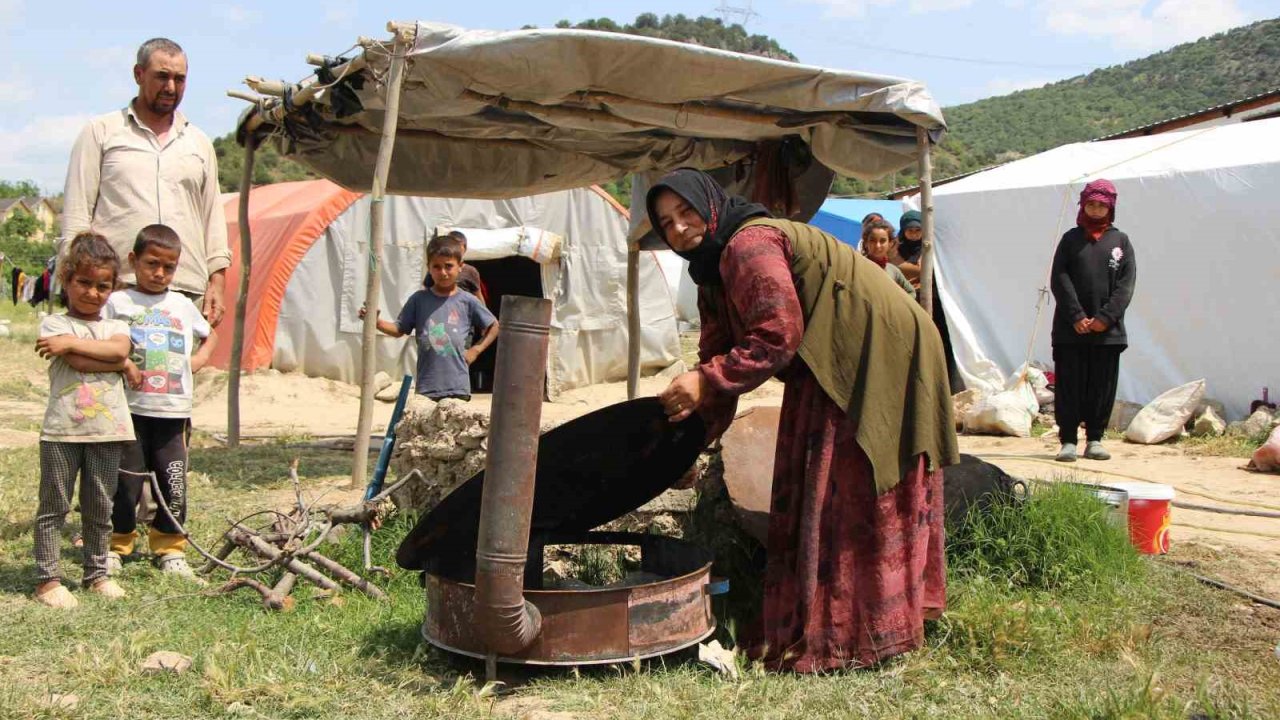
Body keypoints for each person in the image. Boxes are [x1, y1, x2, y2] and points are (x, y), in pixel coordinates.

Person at [648, 169, 957, 672]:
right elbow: (718, 356)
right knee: (817, 471)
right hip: (831, 350)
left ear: (710, 206)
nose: (680, 229)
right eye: (666, 223)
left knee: (848, 480)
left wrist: (708, 380)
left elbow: (777, 333)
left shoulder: (748, 245)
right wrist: (694, 438)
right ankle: (834, 619)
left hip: (877, 346)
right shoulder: (709, 271)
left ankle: (855, 633)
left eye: (685, 213)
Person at [62, 37, 229, 328]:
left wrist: (217, 280)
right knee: (111, 370)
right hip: (115, 290)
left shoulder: (199, 143)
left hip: (184, 292)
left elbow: (212, 216)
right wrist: (75, 281)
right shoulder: (102, 132)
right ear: (138, 74)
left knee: (175, 373)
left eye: (180, 79)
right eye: (162, 76)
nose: (171, 88)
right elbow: (77, 215)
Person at [104, 224, 215, 576]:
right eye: (152, 264)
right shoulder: (118, 302)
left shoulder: (181, 304)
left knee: (174, 481)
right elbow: (103, 339)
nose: (159, 273)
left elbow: (209, 335)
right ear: (133, 260)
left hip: (173, 412)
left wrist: (199, 359)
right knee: (125, 482)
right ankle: (117, 544)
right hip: (130, 410)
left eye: (169, 267)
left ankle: (170, 547)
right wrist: (122, 362)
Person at [32, 232, 134, 608]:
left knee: (99, 505)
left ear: (113, 287)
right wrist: (117, 363)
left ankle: (96, 574)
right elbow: (79, 362)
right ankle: (47, 579)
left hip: (108, 431)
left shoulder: (115, 326)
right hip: (62, 431)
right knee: (54, 504)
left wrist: (115, 358)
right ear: (67, 280)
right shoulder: (53, 324)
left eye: (102, 286)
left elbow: (119, 349)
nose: (93, 293)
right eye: (84, 283)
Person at [1050, 179, 1136, 463]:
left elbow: (1126, 285)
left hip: (1107, 332)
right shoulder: (1070, 240)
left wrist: (1104, 318)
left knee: (1101, 385)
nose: (1096, 209)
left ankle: (1096, 438)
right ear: (1083, 205)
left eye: (1102, 205)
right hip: (1070, 329)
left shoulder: (1120, 241)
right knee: (1070, 384)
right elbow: (1059, 279)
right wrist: (1076, 316)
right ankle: (1069, 441)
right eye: (1091, 204)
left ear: (1110, 207)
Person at [362, 234, 499, 401]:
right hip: (427, 386)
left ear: (460, 267)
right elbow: (399, 329)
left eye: (448, 266)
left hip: (457, 386)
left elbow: (494, 326)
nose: (443, 272)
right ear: (428, 267)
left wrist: (475, 350)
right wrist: (376, 322)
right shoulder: (418, 300)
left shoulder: (467, 301)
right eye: (436, 267)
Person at [425, 231, 487, 305]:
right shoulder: (435, 272)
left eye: (449, 266)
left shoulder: (470, 272)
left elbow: (478, 294)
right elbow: (427, 290)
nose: (443, 273)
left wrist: (483, 310)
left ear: (465, 248)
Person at [861, 219, 916, 299]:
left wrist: (896, 305)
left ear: (890, 243)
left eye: (882, 241)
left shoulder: (893, 270)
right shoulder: (858, 266)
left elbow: (911, 292)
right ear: (866, 243)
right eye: (872, 240)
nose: (877, 246)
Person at [892, 209, 925, 288]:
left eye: (918, 230)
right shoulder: (894, 248)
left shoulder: (928, 248)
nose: (914, 234)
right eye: (910, 230)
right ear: (903, 230)